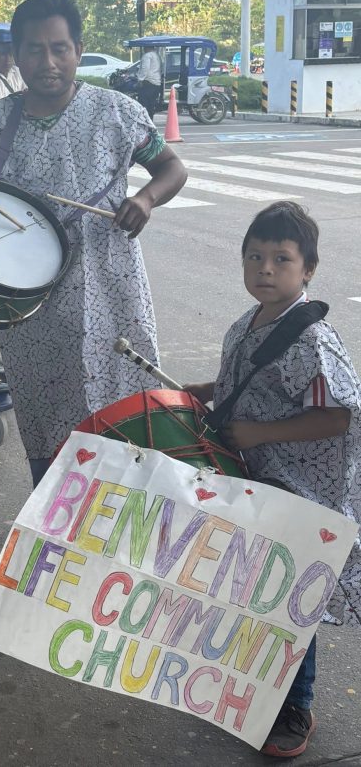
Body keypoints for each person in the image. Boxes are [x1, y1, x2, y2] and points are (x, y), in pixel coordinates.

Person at [0, 0, 187, 486]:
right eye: (35, 50)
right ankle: (56, 527)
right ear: (17, 55)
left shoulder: (118, 112)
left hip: (113, 295)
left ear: (78, 51)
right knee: (47, 423)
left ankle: (126, 529)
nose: (48, 62)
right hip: (28, 308)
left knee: (128, 415)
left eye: (59, 49)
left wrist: (148, 199)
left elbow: (172, 167)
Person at [186, 201, 361, 758]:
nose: (265, 268)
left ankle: (295, 708)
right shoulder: (252, 321)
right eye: (255, 256)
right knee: (254, 593)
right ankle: (257, 692)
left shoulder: (310, 338)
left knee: (289, 602)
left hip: (297, 493)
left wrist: (258, 434)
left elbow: (338, 415)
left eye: (281, 259)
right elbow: (242, 381)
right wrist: (203, 394)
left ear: (307, 269)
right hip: (256, 482)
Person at [137, 47, 162, 120]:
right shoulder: (157, 55)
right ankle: (150, 120)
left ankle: (144, 120)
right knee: (151, 104)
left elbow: (145, 69)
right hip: (156, 82)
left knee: (144, 104)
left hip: (148, 82)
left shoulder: (147, 56)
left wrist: (140, 80)